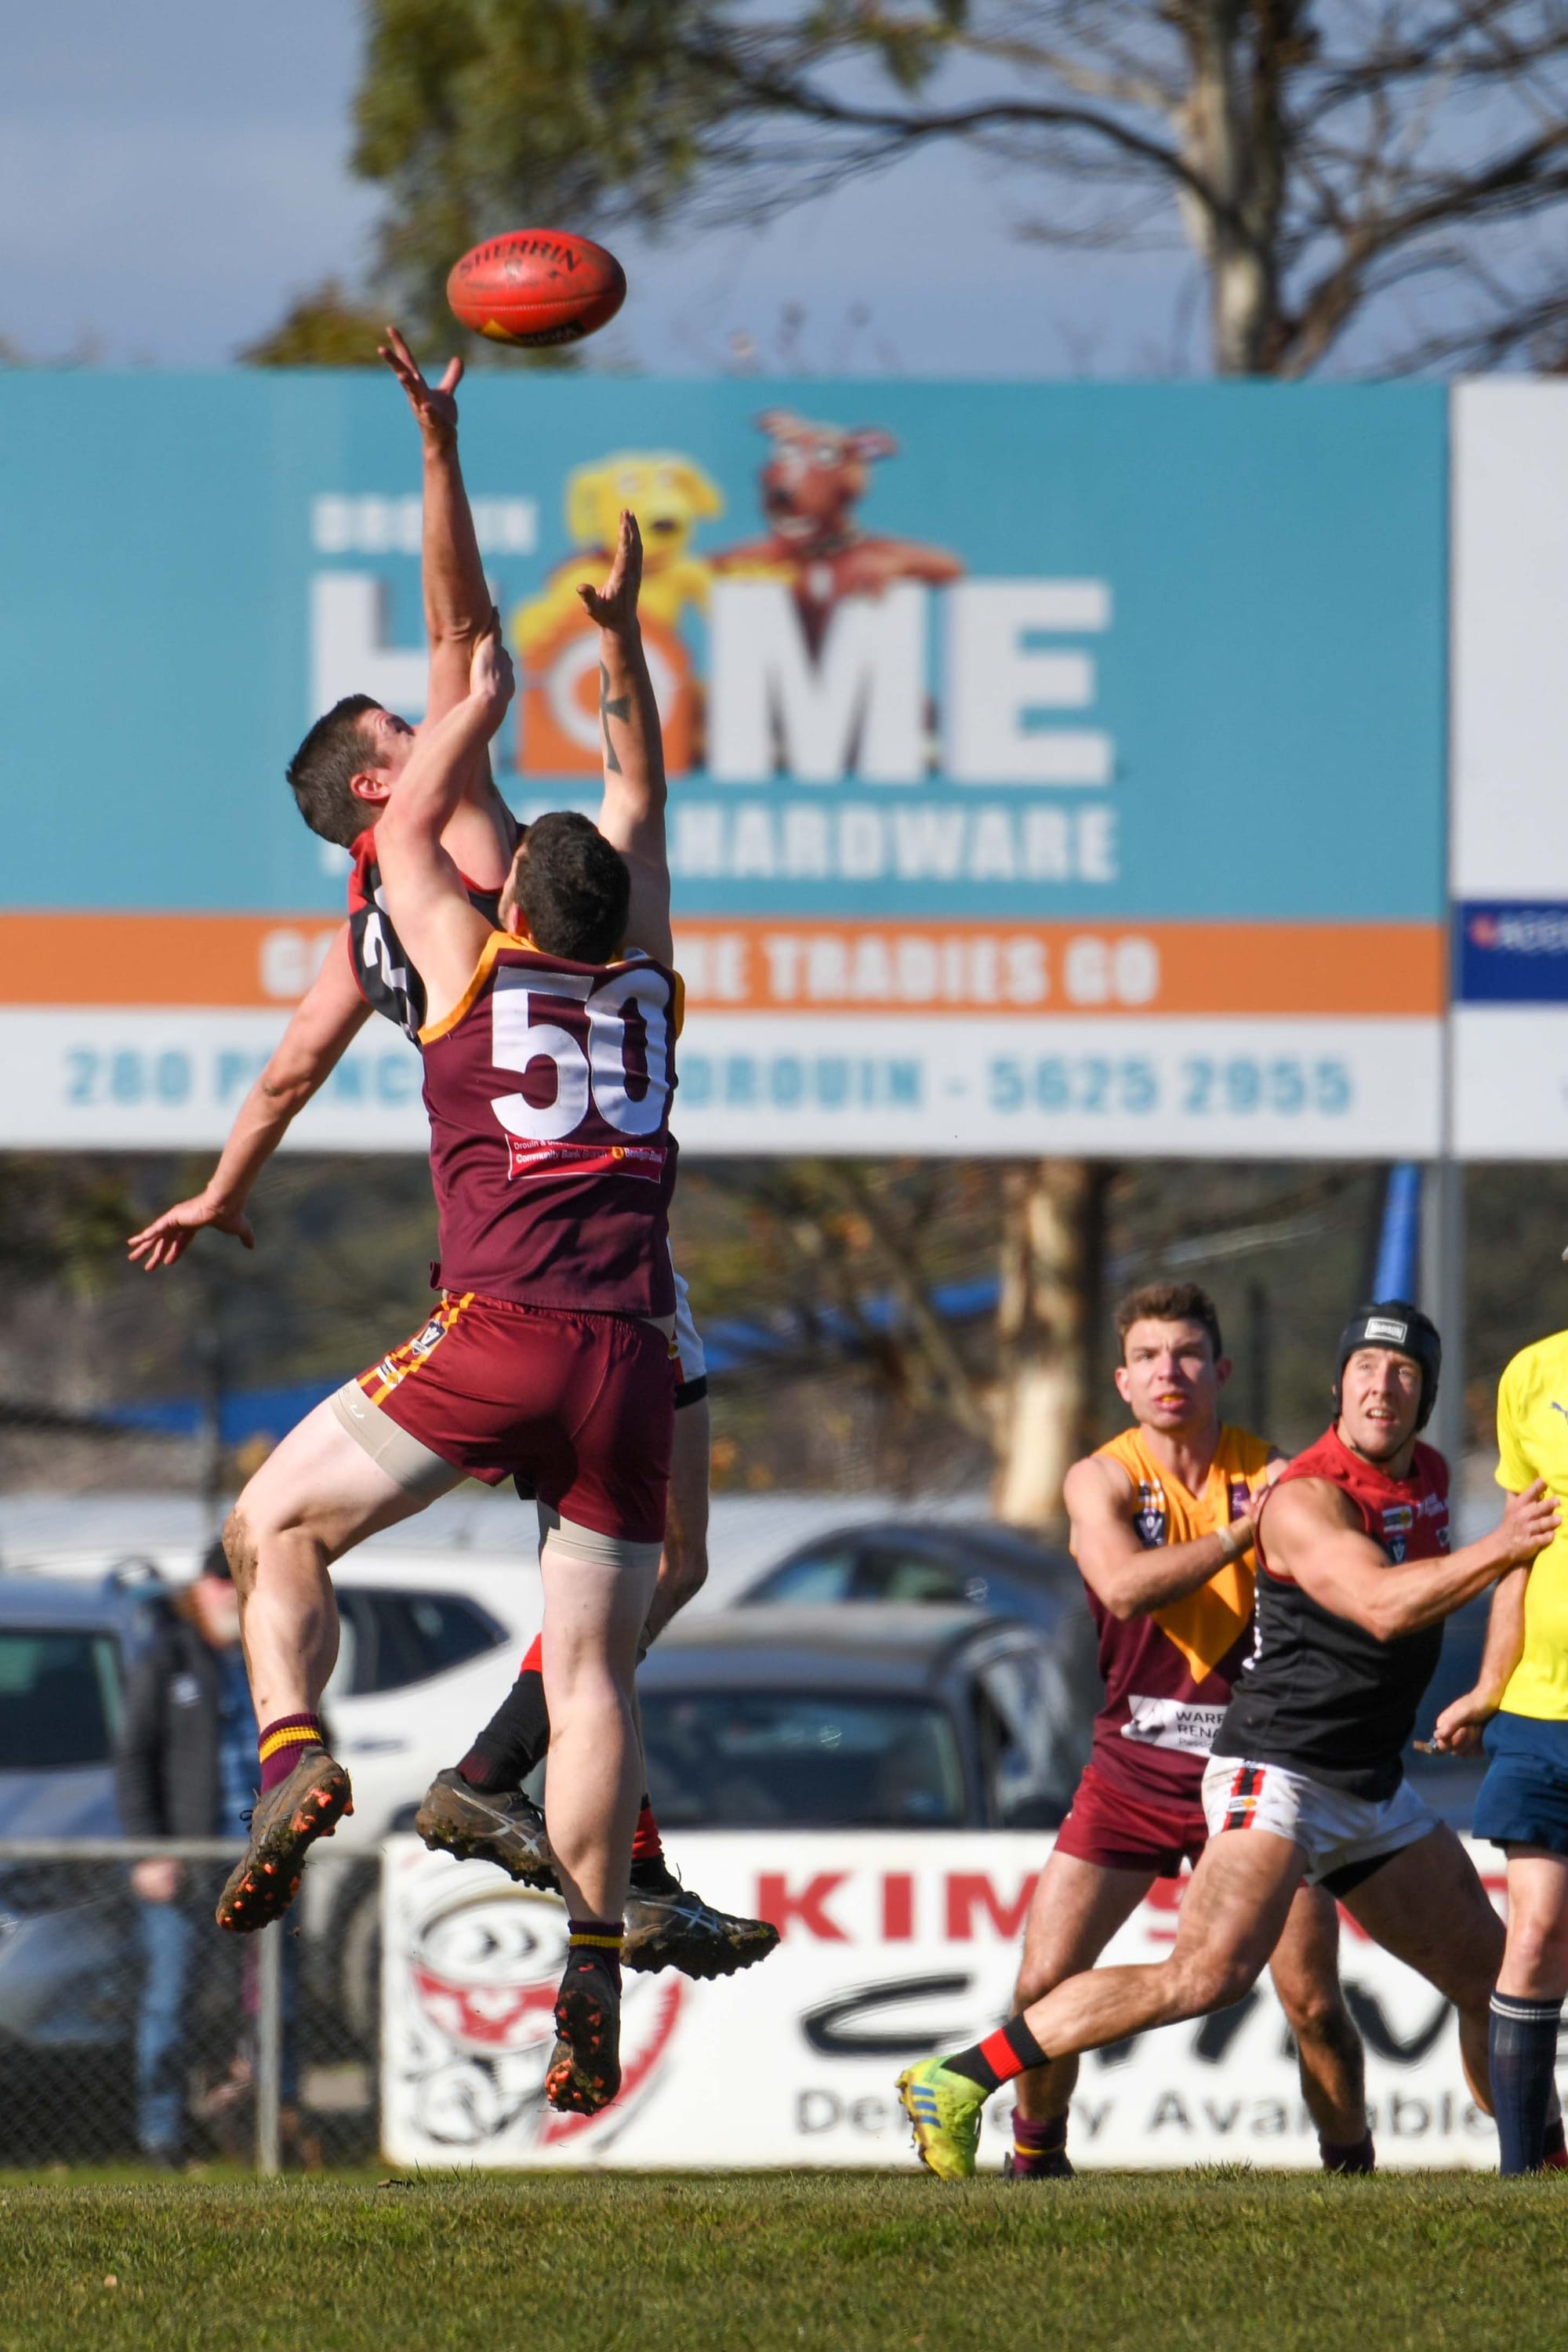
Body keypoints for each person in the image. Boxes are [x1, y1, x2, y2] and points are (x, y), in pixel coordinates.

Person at [125, 330, 772, 1988]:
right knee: (627, 1609)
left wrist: (223, 1192)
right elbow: (509, 666)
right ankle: (581, 1889)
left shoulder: (392, 916)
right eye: (408, 730)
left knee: (638, 1575)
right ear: (376, 789)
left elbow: (283, 1075)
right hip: (615, 1302)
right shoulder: (524, 884)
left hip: (532, 1293)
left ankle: (432, 1775)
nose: (440, 718)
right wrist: (457, 482)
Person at [216, 517, 686, 2115]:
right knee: (597, 1673)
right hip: (632, 1356)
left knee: (269, 1524)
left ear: (509, 905)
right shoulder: (652, 978)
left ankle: (292, 1757)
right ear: (615, 905)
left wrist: (476, 691)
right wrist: (618, 640)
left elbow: (417, 808)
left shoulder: (460, 965)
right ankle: (595, 1955)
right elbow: (641, 779)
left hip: (500, 1330)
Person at [897, 1301, 1562, 2180]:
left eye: (1402, 1373)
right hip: (1274, 1771)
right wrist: (1500, 1546)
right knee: (1204, 1975)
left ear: (1426, 1396)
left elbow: (1481, 1586)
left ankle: (1536, 2168)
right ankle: (953, 2076)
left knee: (1488, 1983)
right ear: (1335, 1386)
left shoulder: (1430, 1475)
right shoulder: (1305, 1496)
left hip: (1364, 1784)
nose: (1380, 1386)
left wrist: (1481, 1687)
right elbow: (1379, 1604)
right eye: (1363, 1367)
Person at [1002, 1280, 1369, 2181]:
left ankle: (1350, 2175)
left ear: (1221, 1370)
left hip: (1258, 1772)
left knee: (1312, 2002)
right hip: (1131, 1771)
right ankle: (1034, 2161)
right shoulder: (1103, 1475)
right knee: (1040, 1984)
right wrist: (1252, 1531)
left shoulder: (1278, 1470)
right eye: (1147, 1357)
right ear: (1121, 1381)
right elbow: (1124, 1588)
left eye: (1188, 1354)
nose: (1169, 1372)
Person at [1431, 1318, 1568, 2171]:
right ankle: (1526, 2175)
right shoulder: (1531, 1373)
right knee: (1533, 1931)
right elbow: (1519, 1552)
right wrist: (1486, 1686)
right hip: (1537, 1709)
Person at [114, 1543, 299, 2164]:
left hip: (263, 1863)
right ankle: (161, 2133)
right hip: (185, 1865)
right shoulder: (168, 1657)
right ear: (201, 1588)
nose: (230, 1594)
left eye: (240, 1582)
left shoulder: (271, 1659)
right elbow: (134, 1760)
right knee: (170, 1998)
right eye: (221, 1582)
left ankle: (279, 2123)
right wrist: (148, 1853)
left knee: (278, 1999)